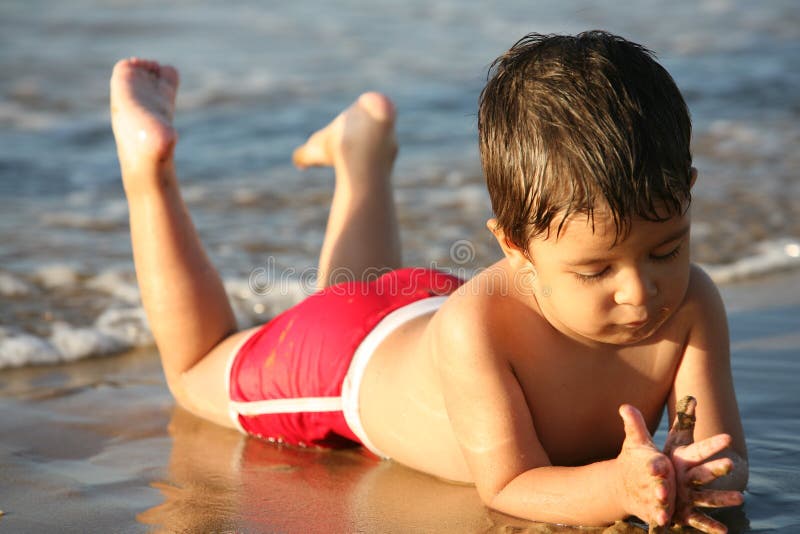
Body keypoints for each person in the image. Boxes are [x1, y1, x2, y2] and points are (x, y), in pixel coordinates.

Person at [110, 30, 748, 532]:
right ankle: (149, 170)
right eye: (595, 270)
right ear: (515, 247)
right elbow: (509, 486)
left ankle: (362, 150)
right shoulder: (481, 329)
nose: (640, 291)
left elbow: (726, 456)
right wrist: (616, 487)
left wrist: (691, 474)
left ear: (688, 198)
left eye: (666, 249)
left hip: (418, 306)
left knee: (361, 285)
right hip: (340, 361)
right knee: (193, 373)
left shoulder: (693, 303)